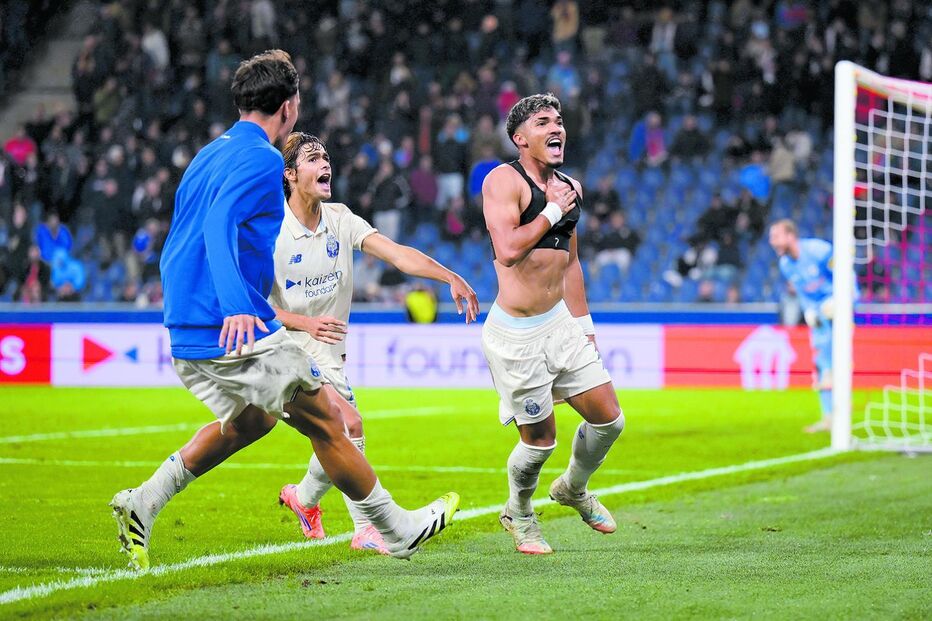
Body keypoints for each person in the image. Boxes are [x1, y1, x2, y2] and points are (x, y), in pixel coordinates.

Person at [109, 51, 459, 571]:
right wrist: (234, 306)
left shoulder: (208, 154)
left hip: (189, 324)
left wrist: (190, 308)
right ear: (289, 106)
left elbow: (179, 239)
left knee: (252, 422)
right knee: (333, 420)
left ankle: (144, 500)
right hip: (233, 324)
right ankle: (395, 529)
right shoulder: (264, 158)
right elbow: (217, 225)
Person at [270, 132, 478, 554]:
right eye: (313, 158)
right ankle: (366, 528)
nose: (325, 163)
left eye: (326, 156)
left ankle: (303, 499)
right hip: (282, 350)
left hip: (328, 354)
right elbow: (250, 306)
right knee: (349, 424)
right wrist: (304, 323)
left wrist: (449, 276)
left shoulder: (340, 219)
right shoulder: (271, 230)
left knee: (333, 433)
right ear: (290, 175)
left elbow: (397, 253)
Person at [480, 93, 624, 555]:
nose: (556, 127)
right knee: (540, 442)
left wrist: (585, 326)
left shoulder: (569, 186)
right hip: (516, 334)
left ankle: (572, 488)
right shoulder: (503, 180)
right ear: (520, 138)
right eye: (543, 122)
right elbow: (507, 250)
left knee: (610, 421)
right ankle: (519, 513)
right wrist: (552, 210)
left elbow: (571, 263)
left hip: (560, 324)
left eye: (558, 120)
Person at [769, 219, 836, 433]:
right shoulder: (786, 265)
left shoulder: (819, 250)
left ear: (791, 236)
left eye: (776, 236)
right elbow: (803, 292)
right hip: (818, 311)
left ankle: (839, 410)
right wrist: (808, 310)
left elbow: (846, 275)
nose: (772, 242)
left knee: (833, 358)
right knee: (819, 363)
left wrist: (841, 300)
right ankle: (828, 417)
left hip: (838, 304)